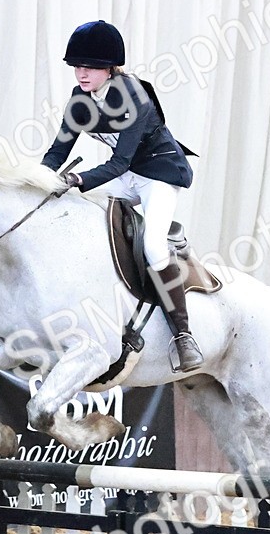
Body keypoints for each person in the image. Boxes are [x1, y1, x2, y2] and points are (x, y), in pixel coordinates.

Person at [41, 20, 203, 372]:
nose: (81, 74)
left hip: (156, 175)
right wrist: (38, 179)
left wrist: (77, 177)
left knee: (155, 248)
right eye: (77, 66)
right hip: (126, 176)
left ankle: (184, 335)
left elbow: (118, 163)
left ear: (110, 67)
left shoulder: (134, 97)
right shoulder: (80, 98)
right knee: (71, 209)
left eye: (90, 67)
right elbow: (58, 150)